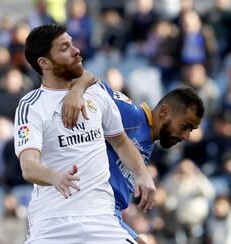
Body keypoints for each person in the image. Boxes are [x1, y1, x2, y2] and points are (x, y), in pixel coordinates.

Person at [14, 24, 155, 243]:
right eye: (64, 48)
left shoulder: (95, 93)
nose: (75, 50)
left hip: (100, 220)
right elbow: (28, 166)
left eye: (72, 43)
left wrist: (142, 173)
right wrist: (55, 176)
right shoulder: (32, 105)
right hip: (53, 222)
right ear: (44, 63)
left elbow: (120, 142)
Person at [62, 78, 204, 243]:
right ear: (164, 111)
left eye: (191, 130)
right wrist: (76, 92)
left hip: (108, 219)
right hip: (89, 214)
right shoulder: (131, 115)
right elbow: (84, 77)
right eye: (185, 126)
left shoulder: (148, 142)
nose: (187, 136)